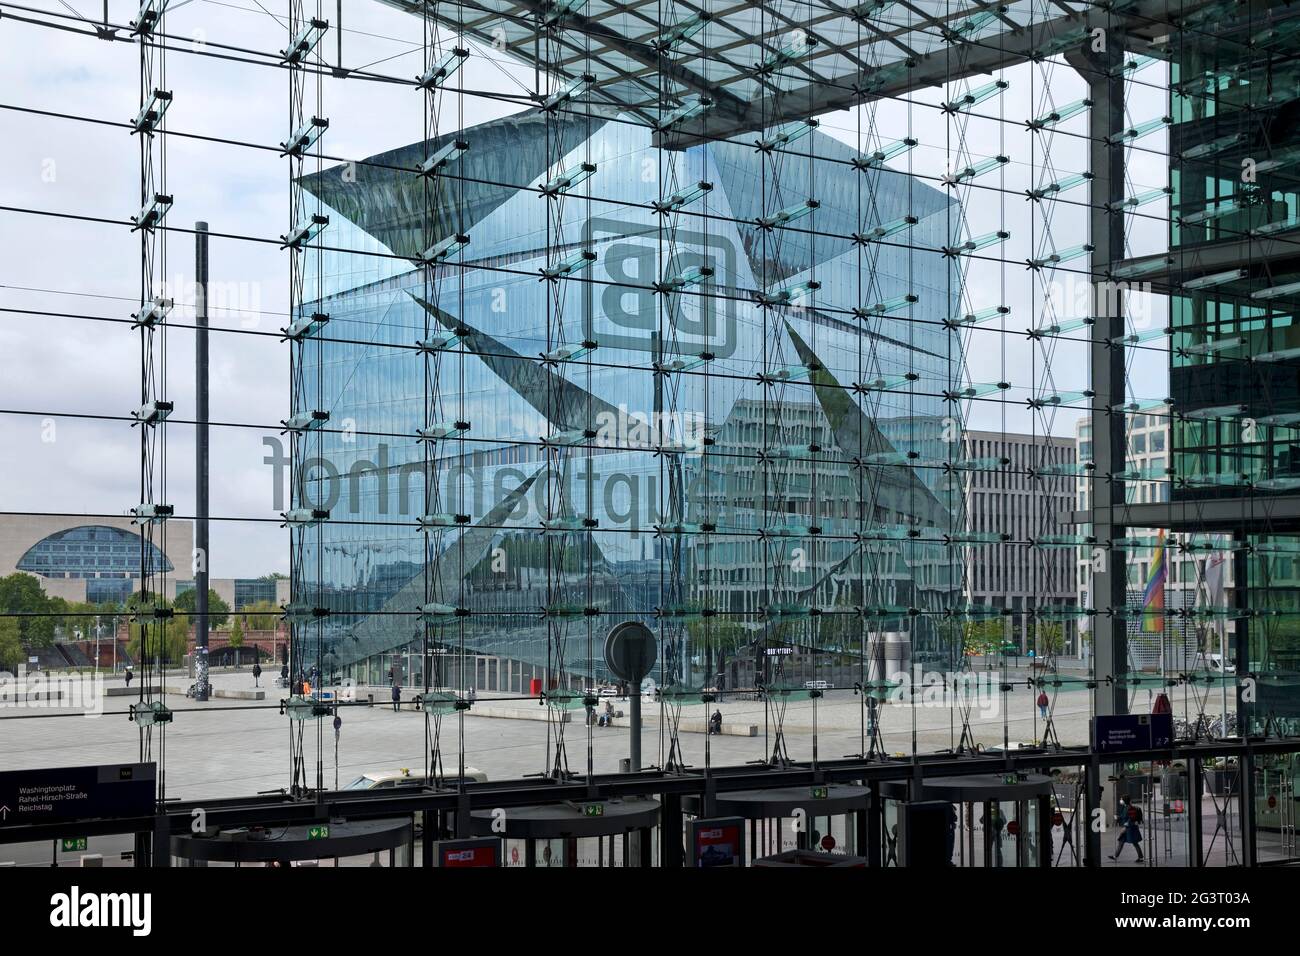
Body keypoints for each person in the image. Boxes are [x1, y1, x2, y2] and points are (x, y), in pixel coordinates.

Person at [1110, 798, 1145, 863]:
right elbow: (1124, 816)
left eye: (1121, 799)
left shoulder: (1130, 808)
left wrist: (1125, 827)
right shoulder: (1125, 807)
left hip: (1131, 829)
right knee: (1121, 841)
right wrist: (1118, 817)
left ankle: (1141, 857)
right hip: (1127, 828)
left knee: (1135, 843)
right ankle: (1115, 856)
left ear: (1125, 800)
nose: (1120, 800)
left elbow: (1131, 818)